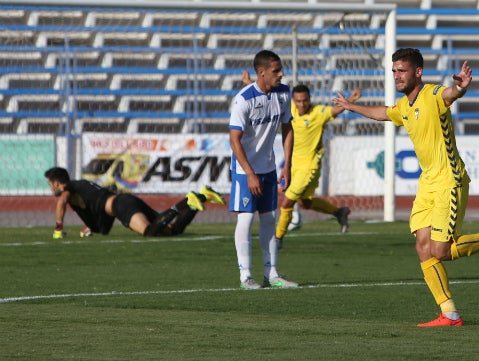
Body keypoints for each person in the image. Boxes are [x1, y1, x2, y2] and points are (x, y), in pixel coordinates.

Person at [332, 48, 479, 327]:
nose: (396, 76)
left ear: (418, 72)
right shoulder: (404, 106)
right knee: (423, 247)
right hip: (428, 183)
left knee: (441, 251)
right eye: (394, 71)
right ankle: (449, 312)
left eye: (401, 70)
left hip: (449, 180)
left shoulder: (433, 95)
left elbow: (451, 94)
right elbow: (383, 113)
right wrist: (351, 107)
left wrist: (460, 87)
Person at [229, 50, 297, 290]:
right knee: (246, 219)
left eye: (281, 69)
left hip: (268, 168)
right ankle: (245, 275)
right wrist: (249, 173)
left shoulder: (283, 93)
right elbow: (234, 139)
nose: (281, 74)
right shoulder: (243, 99)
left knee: (269, 219)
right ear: (262, 72)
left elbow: (288, 129)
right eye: (276, 70)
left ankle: (272, 274)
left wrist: (286, 165)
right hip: (244, 169)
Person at [275, 84, 361, 249]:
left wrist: (351, 99)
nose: (302, 104)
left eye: (305, 100)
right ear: (294, 100)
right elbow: (269, 97)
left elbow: (334, 111)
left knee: (286, 203)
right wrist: (250, 84)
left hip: (309, 167)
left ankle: (277, 238)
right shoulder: (289, 109)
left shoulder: (318, 113)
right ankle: (339, 212)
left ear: (309, 99)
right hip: (292, 166)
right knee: (304, 203)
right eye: (298, 101)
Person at [45, 167, 225, 238]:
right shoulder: (81, 187)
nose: (50, 188)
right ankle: (200, 197)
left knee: (149, 231)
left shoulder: (68, 189)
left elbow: (61, 202)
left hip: (121, 206)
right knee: (171, 230)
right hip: (125, 201)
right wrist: (92, 226)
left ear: (57, 183)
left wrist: (58, 228)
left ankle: (183, 203)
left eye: (50, 184)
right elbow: (98, 211)